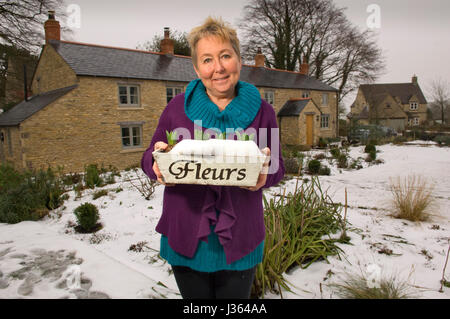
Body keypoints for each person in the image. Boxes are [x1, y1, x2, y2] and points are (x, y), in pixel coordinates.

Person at [141, 17, 285, 299]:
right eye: (207, 60)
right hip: (185, 233)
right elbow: (149, 156)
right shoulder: (175, 108)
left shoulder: (263, 111)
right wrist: (155, 164)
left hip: (241, 237)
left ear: (239, 61)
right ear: (197, 68)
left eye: (225, 56)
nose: (217, 68)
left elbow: (277, 165)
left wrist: (266, 173)